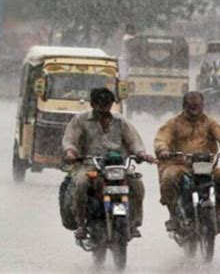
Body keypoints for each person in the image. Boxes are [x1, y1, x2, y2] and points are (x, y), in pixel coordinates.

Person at [62, 87, 156, 239]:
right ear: (92, 104)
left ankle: (134, 223)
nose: (104, 108)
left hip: (117, 165)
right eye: (100, 104)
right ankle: (81, 224)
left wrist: (141, 154)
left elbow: (133, 141)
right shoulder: (80, 120)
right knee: (81, 184)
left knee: (136, 184)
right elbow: (70, 140)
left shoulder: (120, 120)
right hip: (89, 164)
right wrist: (70, 152)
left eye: (107, 104)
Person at [154, 91, 220, 233]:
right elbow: (162, 138)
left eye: (197, 105)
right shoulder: (173, 123)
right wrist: (163, 149)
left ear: (203, 106)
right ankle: (174, 215)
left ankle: (217, 214)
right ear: (184, 106)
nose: (194, 108)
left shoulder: (210, 123)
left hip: (205, 165)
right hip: (179, 164)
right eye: (191, 105)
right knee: (169, 178)